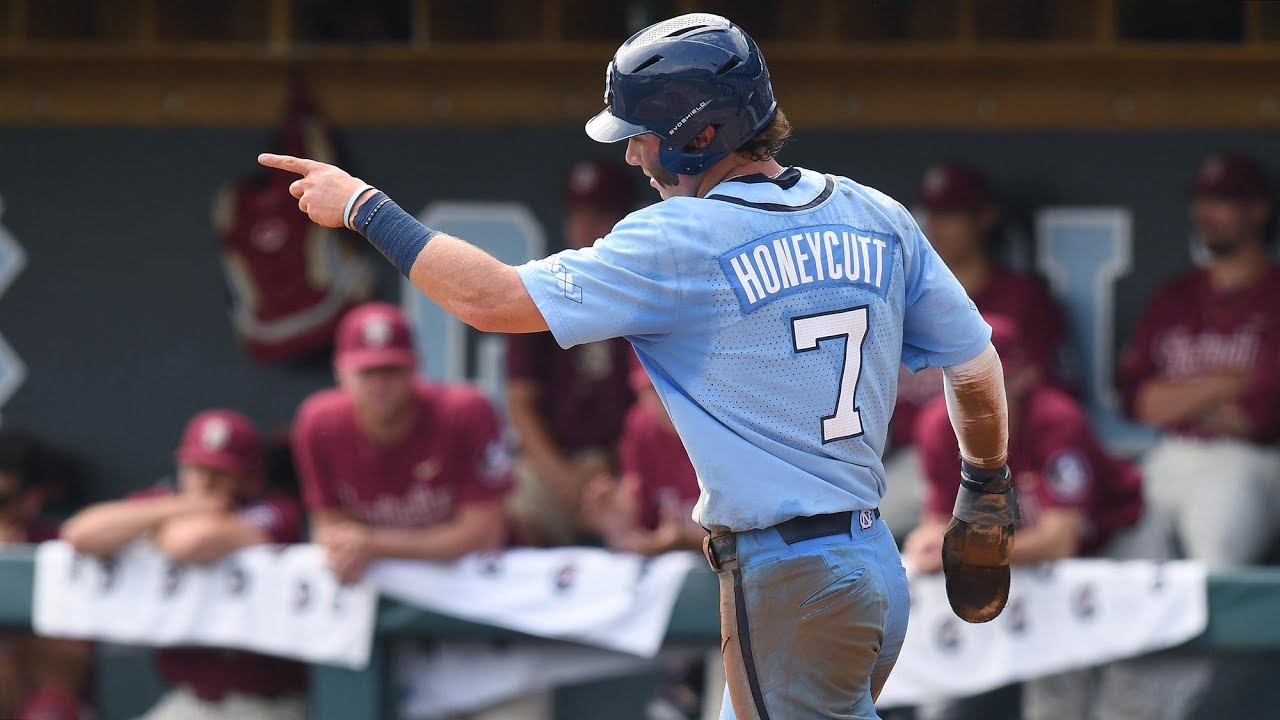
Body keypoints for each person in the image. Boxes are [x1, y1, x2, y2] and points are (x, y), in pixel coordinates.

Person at [262, 13, 1015, 718]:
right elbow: (976, 366)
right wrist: (984, 489)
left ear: (702, 133)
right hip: (865, 563)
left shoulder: (679, 236)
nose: (630, 153)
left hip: (791, 579)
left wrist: (364, 207)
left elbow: (491, 300)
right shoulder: (874, 213)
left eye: (643, 135)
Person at [906, 317, 1205, 720]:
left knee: (1132, 697)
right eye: (961, 379)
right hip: (1032, 560)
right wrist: (928, 542)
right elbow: (937, 520)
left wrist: (964, 550)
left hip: (1118, 542)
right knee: (1054, 693)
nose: (971, 393)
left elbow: (1059, 540)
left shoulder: (1055, 420)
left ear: (1024, 377)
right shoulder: (939, 428)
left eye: (987, 379)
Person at [290, 302, 540, 720]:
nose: (381, 384)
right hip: (398, 629)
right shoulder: (318, 423)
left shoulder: (465, 412)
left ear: (415, 368)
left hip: (487, 615)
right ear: (341, 372)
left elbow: (484, 533)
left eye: (392, 369)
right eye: (367, 372)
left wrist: (370, 544)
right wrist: (343, 547)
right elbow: (328, 523)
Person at [61, 410, 307, 720]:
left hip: (267, 705)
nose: (204, 481)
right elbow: (80, 534)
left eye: (220, 472)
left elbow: (188, 543)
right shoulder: (168, 504)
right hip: (192, 700)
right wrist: (180, 507)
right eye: (196, 467)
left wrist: (158, 523)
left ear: (251, 478)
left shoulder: (275, 511)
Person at [882, 163, 1067, 542]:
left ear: (985, 218)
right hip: (918, 459)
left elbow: (1043, 397)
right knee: (860, 518)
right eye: (930, 213)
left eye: (950, 214)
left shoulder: (1022, 301)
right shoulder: (903, 297)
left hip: (998, 459)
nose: (935, 225)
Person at [1118, 152, 1280, 569]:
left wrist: (1179, 401)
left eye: (1222, 202)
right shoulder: (1175, 296)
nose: (1207, 214)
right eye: (1202, 202)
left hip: (1249, 461)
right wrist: (1225, 382)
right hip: (1172, 453)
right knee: (1125, 547)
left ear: (1258, 211)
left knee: (1216, 557)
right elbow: (1142, 403)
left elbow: (1257, 417)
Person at [506, 159, 637, 547]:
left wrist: (612, 464)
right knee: (517, 520)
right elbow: (520, 402)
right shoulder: (541, 289)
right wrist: (560, 476)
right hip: (552, 459)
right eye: (577, 214)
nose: (585, 226)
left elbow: (657, 405)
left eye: (599, 214)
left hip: (625, 463)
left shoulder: (647, 290)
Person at [0, 431, 92, 720]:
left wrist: (11, 580)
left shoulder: (58, 551)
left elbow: (67, 675)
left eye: (0, 499)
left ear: (32, 499)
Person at [580, 356, 703, 556]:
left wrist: (687, 541)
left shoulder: (727, 425)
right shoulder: (641, 427)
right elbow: (641, 526)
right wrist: (621, 526)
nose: (667, 398)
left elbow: (754, 539)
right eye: (653, 388)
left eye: (677, 383)